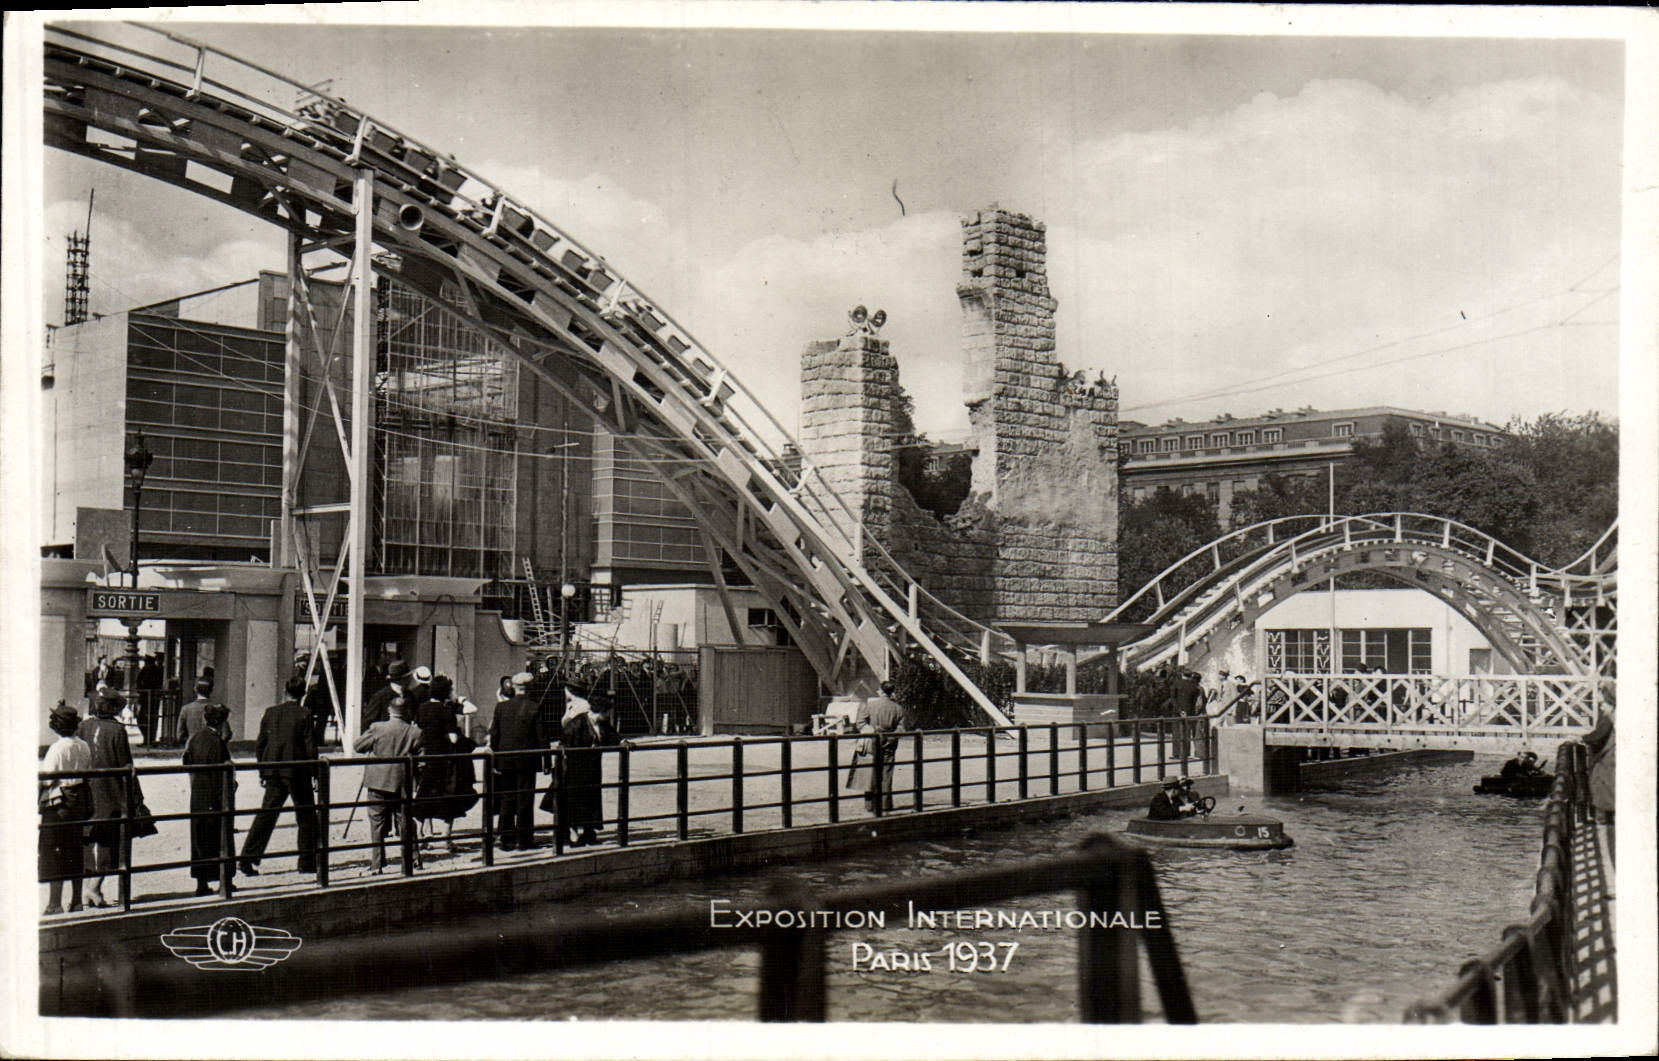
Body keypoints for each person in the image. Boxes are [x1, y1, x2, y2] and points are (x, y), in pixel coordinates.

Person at [238, 674, 318, 877]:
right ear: (303, 694)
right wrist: (315, 773)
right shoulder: (305, 714)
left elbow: (260, 744)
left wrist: (262, 769)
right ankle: (306, 862)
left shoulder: (271, 712)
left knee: (266, 815)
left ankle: (248, 858)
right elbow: (310, 747)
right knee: (306, 816)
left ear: (285, 691)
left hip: (273, 770)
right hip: (297, 772)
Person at [77, 684, 137, 908]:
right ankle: (94, 888)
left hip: (89, 788)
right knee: (111, 839)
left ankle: (88, 888)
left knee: (88, 836)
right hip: (110, 790)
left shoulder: (83, 727)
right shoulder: (117, 730)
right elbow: (125, 762)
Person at [354, 695, 423, 874]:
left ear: (389, 710)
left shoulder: (377, 728)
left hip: (378, 782)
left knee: (376, 822)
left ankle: (377, 864)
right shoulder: (415, 732)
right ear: (406, 712)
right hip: (402, 783)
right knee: (405, 821)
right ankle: (412, 859)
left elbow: (358, 746)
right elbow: (422, 760)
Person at [40, 703, 92, 914]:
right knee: (75, 849)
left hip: (59, 802)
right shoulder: (84, 746)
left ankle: (54, 903)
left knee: (54, 851)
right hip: (78, 799)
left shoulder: (57, 748)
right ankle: (77, 900)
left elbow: (47, 778)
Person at [183, 703, 235, 896]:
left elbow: (186, 762)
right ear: (222, 722)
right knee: (221, 838)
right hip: (215, 796)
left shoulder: (196, 738)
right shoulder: (217, 743)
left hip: (198, 795)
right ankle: (225, 881)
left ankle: (201, 884)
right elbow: (223, 772)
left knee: (200, 840)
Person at [489, 672, 545, 850]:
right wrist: (547, 761)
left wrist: (495, 760)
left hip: (505, 760)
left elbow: (495, 735)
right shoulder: (534, 707)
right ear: (530, 688)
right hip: (527, 760)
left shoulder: (501, 707)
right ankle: (524, 839)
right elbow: (542, 736)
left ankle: (505, 839)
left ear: (513, 687)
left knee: (507, 798)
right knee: (525, 799)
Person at [413, 674, 468, 852]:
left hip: (426, 757)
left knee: (423, 795)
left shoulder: (422, 708)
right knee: (449, 797)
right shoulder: (446, 710)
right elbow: (453, 738)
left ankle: (421, 836)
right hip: (444, 759)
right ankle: (446, 839)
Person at [558, 683, 617, 847]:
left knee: (591, 799)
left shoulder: (601, 724)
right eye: (606, 713)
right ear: (600, 712)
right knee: (575, 799)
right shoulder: (577, 723)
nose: (608, 716)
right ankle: (573, 834)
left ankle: (589, 832)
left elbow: (612, 735)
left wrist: (623, 742)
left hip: (592, 767)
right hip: (576, 767)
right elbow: (566, 742)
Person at [847, 680, 906, 812]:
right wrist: (889, 738)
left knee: (870, 772)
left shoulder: (869, 705)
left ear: (881, 691)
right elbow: (901, 730)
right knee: (887, 773)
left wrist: (873, 731)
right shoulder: (898, 708)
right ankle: (885, 804)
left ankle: (870, 805)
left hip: (871, 742)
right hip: (889, 744)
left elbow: (860, 723)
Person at [176, 678, 232, 746]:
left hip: (192, 750)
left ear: (195, 689)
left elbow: (179, 736)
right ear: (211, 690)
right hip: (213, 749)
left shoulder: (185, 709)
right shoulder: (218, 708)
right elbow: (226, 734)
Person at [363, 659, 413, 730]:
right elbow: (367, 724)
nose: (411, 679)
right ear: (402, 679)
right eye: (409, 676)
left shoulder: (410, 696)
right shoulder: (380, 697)